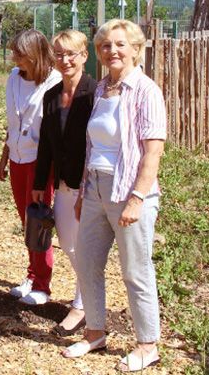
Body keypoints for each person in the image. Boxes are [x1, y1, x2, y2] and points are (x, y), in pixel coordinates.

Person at [62, 19, 166, 373]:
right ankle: (94, 332)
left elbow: (153, 151)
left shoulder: (146, 90)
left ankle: (147, 344)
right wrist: (83, 190)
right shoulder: (103, 88)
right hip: (95, 189)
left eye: (120, 44)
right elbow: (93, 145)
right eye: (106, 45)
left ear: (136, 49)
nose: (113, 51)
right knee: (88, 264)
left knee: (135, 271)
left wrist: (137, 198)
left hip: (129, 192)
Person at [32, 29, 96, 336]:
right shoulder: (51, 96)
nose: (65, 59)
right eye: (59, 54)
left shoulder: (95, 92)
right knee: (70, 246)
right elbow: (46, 142)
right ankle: (88, 298)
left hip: (91, 186)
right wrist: (39, 180)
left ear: (84, 55)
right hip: (63, 186)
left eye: (71, 53)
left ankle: (81, 307)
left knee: (84, 248)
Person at [0, 29, 61, 305]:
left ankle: (43, 285)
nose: (15, 58)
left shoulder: (53, 82)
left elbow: (51, 129)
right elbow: (12, 123)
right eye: (14, 53)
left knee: (39, 221)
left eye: (20, 54)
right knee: (26, 220)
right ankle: (32, 276)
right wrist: (4, 157)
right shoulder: (13, 78)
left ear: (36, 54)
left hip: (40, 160)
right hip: (18, 158)